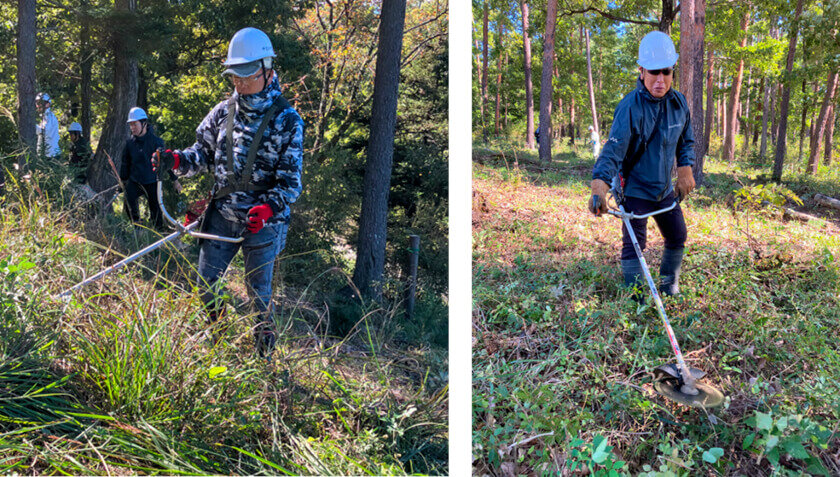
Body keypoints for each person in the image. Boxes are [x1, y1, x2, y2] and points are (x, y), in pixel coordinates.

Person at [153, 27, 304, 359]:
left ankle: (264, 356)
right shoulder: (223, 112)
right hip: (221, 216)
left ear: (267, 68)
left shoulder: (287, 120)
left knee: (258, 293)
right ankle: (218, 340)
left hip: (263, 224)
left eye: (247, 73)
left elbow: (290, 185)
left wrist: (267, 210)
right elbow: (201, 155)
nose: (241, 82)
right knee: (206, 284)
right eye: (235, 74)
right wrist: (177, 161)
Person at [589, 31, 696, 297]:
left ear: (672, 71)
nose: (660, 80)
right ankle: (635, 300)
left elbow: (686, 140)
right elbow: (613, 150)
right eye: (653, 72)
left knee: (677, 235)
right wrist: (599, 187)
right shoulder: (629, 107)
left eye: (666, 72)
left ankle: (669, 288)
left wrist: (685, 168)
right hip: (634, 189)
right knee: (635, 245)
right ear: (641, 71)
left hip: (663, 190)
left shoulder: (679, 103)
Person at [120, 107, 180, 229]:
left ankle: (157, 236)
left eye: (134, 124)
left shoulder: (156, 142)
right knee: (129, 202)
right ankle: (137, 227)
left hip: (152, 181)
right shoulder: (129, 143)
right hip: (135, 181)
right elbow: (125, 163)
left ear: (144, 124)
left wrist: (175, 180)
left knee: (156, 212)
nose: (132, 128)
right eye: (130, 125)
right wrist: (122, 182)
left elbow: (165, 163)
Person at [35, 93, 60, 159]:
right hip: (47, 154)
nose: (38, 105)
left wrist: (32, 125)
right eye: (37, 103)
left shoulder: (49, 116)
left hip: (51, 155)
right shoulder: (44, 116)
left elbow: (44, 132)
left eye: (40, 103)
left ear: (47, 104)